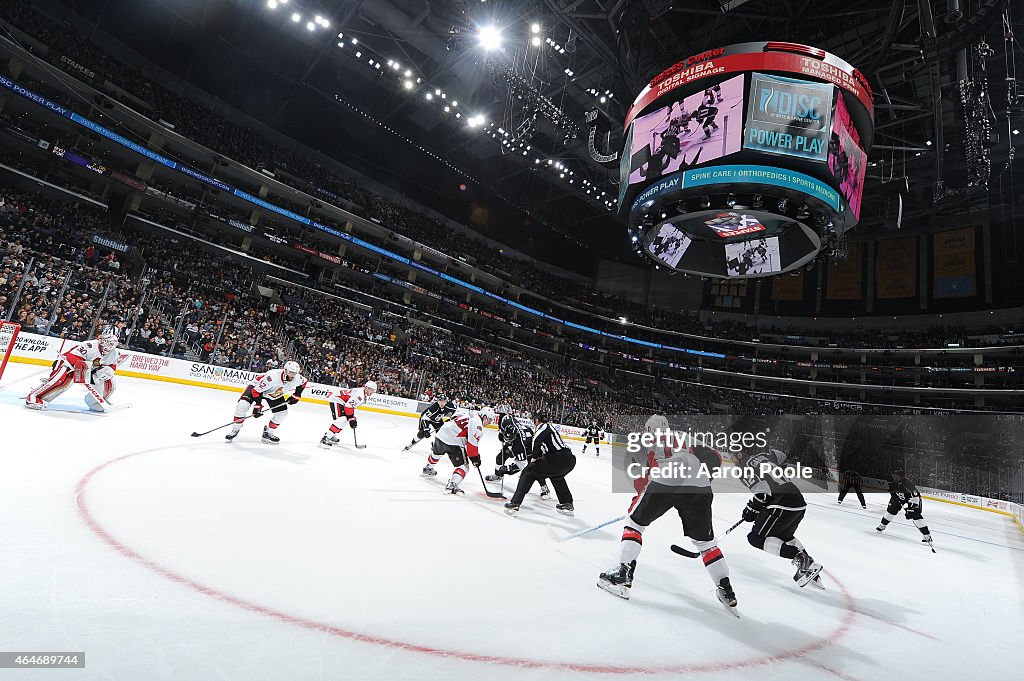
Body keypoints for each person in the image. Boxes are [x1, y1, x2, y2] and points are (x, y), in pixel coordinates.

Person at [597, 414, 736, 612]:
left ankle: (623, 575)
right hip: (699, 485)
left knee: (634, 524)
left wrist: (638, 505)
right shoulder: (685, 437)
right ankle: (726, 590)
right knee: (706, 544)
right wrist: (701, 480)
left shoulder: (646, 441)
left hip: (665, 479)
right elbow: (716, 457)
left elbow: (643, 480)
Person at [740, 449, 823, 588]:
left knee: (755, 538)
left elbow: (763, 495)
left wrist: (751, 510)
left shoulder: (744, 468)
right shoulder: (766, 454)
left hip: (781, 504)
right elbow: (782, 456)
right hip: (798, 502)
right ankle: (811, 570)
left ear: (739, 454)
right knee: (785, 537)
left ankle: (802, 560)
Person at [25, 330, 119, 411]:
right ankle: (34, 397)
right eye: (110, 343)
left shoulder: (114, 353)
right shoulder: (89, 345)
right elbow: (72, 358)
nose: (111, 347)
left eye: (114, 344)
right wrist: (85, 369)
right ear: (102, 340)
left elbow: (112, 365)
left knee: (109, 381)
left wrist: (109, 370)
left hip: (88, 369)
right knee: (64, 382)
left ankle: (96, 403)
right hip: (69, 364)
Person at [503, 410, 575, 516]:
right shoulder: (549, 427)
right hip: (568, 460)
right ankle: (567, 503)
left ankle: (515, 503)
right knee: (556, 476)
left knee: (528, 472)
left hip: (558, 458)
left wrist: (533, 460)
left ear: (537, 419)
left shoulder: (543, 427)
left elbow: (537, 441)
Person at [224, 360, 307, 443]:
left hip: (274, 393)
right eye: (291, 372)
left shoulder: (297, 378)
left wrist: (296, 396)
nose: (293, 375)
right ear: (285, 370)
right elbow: (256, 391)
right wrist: (258, 406)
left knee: (282, 413)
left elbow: (303, 382)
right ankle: (235, 430)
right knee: (242, 405)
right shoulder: (272, 377)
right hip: (256, 388)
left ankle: (268, 432)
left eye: (295, 373)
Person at [422, 407, 496, 495]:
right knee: (464, 466)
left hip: (441, 434)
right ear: (484, 417)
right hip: (454, 442)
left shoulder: (470, 413)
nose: (490, 422)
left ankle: (428, 468)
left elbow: (452, 417)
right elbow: (471, 446)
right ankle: (452, 485)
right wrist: (475, 459)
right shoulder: (478, 426)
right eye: (489, 419)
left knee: (436, 454)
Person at [485, 403, 551, 499]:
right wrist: (501, 433)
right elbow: (507, 417)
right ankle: (498, 476)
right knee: (500, 457)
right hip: (520, 437)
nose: (507, 441)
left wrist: (507, 469)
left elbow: (520, 464)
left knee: (533, 467)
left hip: (529, 447)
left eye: (510, 439)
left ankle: (544, 488)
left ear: (514, 437)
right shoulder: (507, 422)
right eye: (506, 438)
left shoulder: (518, 446)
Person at [876, 469, 933, 547]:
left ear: (902, 477)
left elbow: (915, 498)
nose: (895, 478)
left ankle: (927, 536)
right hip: (898, 497)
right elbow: (891, 490)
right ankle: (882, 526)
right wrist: (895, 498)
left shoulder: (909, 485)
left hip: (912, 500)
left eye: (897, 476)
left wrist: (910, 508)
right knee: (891, 511)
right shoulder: (891, 480)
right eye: (894, 476)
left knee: (916, 516)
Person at [319, 380, 377, 447]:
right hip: (337, 400)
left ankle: (331, 435)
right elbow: (348, 406)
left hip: (343, 402)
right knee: (342, 419)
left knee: (346, 420)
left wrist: (351, 418)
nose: (372, 392)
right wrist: (351, 418)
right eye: (372, 390)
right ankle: (325, 438)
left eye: (373, 391)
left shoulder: (363, 393)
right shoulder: (360, 395)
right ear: (367, 388)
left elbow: (350, 406)